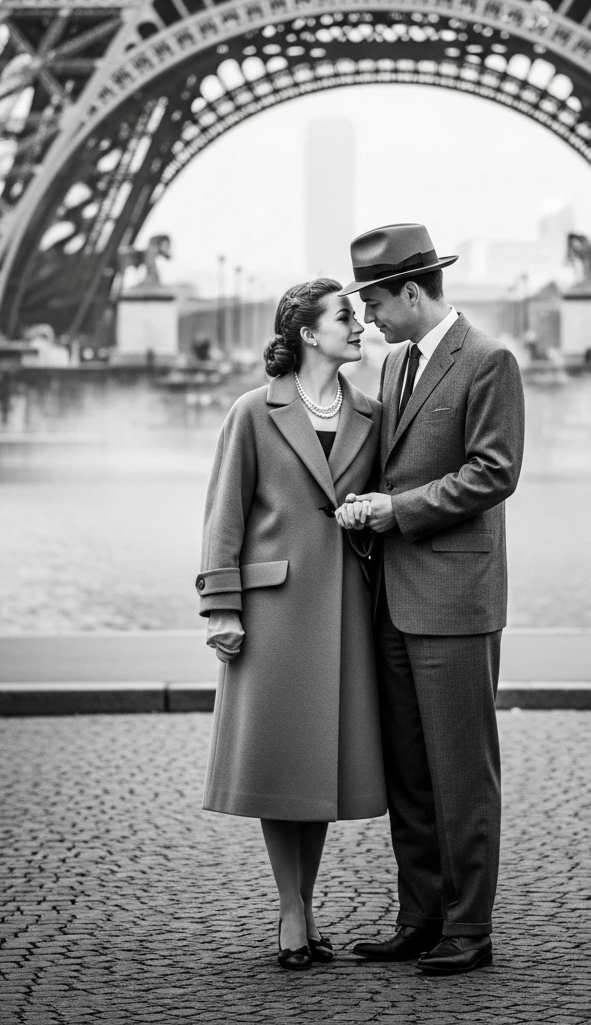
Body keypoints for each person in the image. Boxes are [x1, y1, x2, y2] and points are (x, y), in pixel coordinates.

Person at [336, 223, 526, 976]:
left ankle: (470, 930)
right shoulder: (394, 366)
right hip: (395, 597)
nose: (370, 320)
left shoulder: (488, 360)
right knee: (410, 773)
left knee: (462, 773)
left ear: (413, 292)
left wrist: (396, 509)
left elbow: (495, 472)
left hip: (454, 598)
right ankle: (420, 918)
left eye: (377, 303)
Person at [196, 278, 386, 971]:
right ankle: (291, 910)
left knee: (320, 769)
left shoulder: (371, 412)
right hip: (275, 612)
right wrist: (220, 604)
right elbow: (225, 516)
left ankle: (303, 908)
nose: (359, 326)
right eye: (346, 317)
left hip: (346, 610)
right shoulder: (253, 410)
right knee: (284, 765)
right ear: (309, 331)